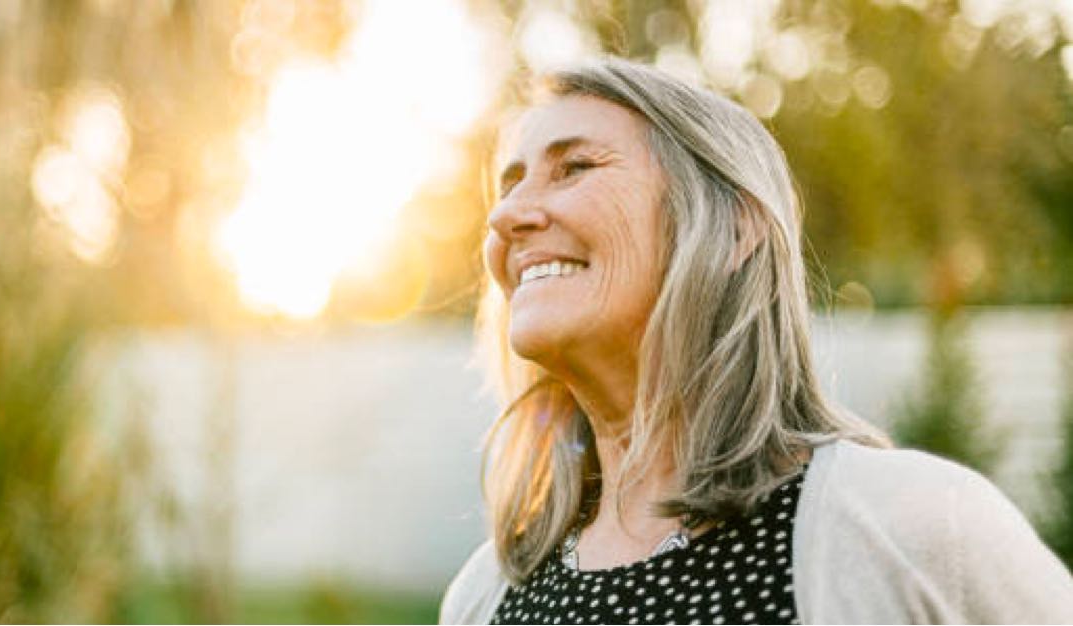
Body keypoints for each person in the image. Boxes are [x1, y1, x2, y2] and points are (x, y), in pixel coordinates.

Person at [439, 56, 1073, 625]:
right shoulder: (485, 595)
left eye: (573, 167)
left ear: (733, 225)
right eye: (511, 184)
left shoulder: (915, 532)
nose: (504, 216)